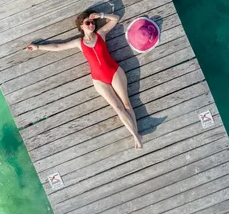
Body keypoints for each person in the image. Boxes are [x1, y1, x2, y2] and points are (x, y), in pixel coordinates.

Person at [25, 10, 143, 150]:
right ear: (81, 26)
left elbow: (115, 19)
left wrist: (101, 15)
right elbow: (58, 46)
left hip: (114, 72)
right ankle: (136, 135)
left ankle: (136, 136)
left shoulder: (101, 34)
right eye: (88, 23)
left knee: (126, 104)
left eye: (92, 22)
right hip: (99, 79)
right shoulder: (79, 42)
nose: (91, 25)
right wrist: (38, 47)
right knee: (117, 108)